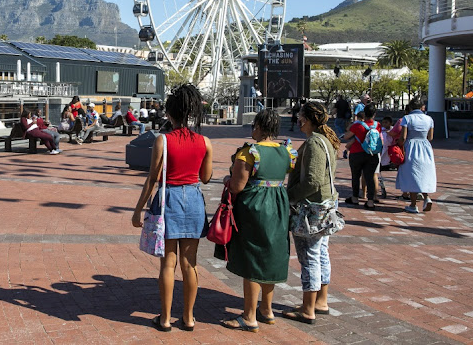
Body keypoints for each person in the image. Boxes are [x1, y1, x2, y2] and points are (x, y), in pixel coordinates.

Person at [132, 84, 213, 332]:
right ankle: (188, 318)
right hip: (194, 200)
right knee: (191, 263)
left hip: (169, 200)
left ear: (169, 113)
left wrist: (138, 210)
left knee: (168, 263)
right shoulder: (204, 141)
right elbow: (206, 177)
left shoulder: (163, 140)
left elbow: (152, 179)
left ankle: (165, 318)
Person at [221, 109, 296, 332]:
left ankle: (249, 316)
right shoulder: (287, 151)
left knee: (252, 260)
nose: (252, 129)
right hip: (278, 205)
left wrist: (227, 178)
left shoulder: (248, 153)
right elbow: (288, 171)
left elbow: (237, 186)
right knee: (271, 256)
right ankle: (267, 309)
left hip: (255, 207)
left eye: (254, 125)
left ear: (261, 128)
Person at [283, 101, 340, 325]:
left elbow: (313, 180)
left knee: (310, 258)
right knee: (321, 253)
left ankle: (308, 308)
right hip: (324, 206)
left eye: (300, 116)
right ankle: (320, 301)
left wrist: (290, 196)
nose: (297, 120)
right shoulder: (323, 140)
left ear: (306, 119)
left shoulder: (315, 142)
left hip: (312, 209)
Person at [397, 99, 437, 213]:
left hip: (411, 146)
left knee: (412, 174)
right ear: (422, 107)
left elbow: (403, 137)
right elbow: (430, 137)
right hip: (425, 146)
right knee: (423, 173)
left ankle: (413, 205)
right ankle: (426, 197)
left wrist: (398, 145)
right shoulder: (429, 119)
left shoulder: (407, 118)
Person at [342, 104, 381, 210]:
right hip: (372, 154)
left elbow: (346, 136)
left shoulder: (358, 125)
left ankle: (355, 197)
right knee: (370, 177)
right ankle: (370, 201)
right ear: (374, 114)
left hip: (357, 153)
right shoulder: (377, 125)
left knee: (356, 176)